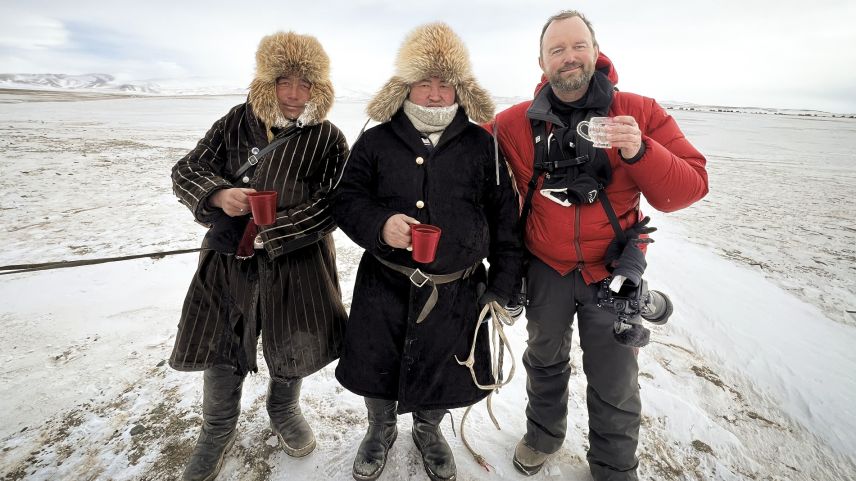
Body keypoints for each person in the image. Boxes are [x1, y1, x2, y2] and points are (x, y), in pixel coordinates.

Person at [490, 10, 709, 481]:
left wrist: (640, 150)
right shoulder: (514, 124)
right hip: (545, 268)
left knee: (614, 379)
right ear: (541, 61)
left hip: (610, 271)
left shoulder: (641, 111)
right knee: (544, 359)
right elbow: (462, 159)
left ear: (595, 49)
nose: (568, 57)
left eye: (577, 46)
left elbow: (688, 188)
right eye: (557, 49)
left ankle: (613, 468)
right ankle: (543, 435)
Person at [332, 22, 522, 481]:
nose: (435, 94)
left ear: (459, 88)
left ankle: (428, 429)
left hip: (457, 293)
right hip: (385, 283)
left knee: (442, 366)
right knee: (376, 363)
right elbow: (346, 199)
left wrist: (501, 287)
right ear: (406, 87)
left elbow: (506, 224)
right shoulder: (376, 139)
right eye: (424, 83)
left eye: (444, 84)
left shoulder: (484, 144)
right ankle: (379, 429)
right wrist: (380, 224)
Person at [169, 31, 348, 481]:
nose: (293, 94)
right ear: (266, 82)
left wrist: (278, 231)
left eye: (305, 84)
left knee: (294, 339)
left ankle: (283, 409)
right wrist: (219, 194)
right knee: (220, 340)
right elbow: (187, 169)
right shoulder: (235, 122)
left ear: (319, 90)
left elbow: (337, 202)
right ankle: (217, 428)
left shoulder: (327, 138)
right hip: (230, 258)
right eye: (283, 81)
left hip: (300, 260)